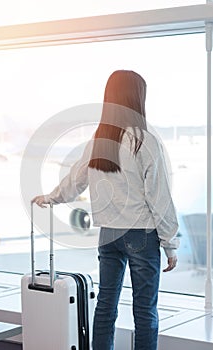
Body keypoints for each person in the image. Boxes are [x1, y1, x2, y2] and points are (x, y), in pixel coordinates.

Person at [32, 70, 179, 350]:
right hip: (141, 235)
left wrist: (51, 197)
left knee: (105, 305)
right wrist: (171, 244)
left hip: (109, 235)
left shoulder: (98, 142)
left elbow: (74, 181)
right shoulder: (144, 141)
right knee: (145, 309)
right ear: (138, 98)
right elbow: (159, 197)